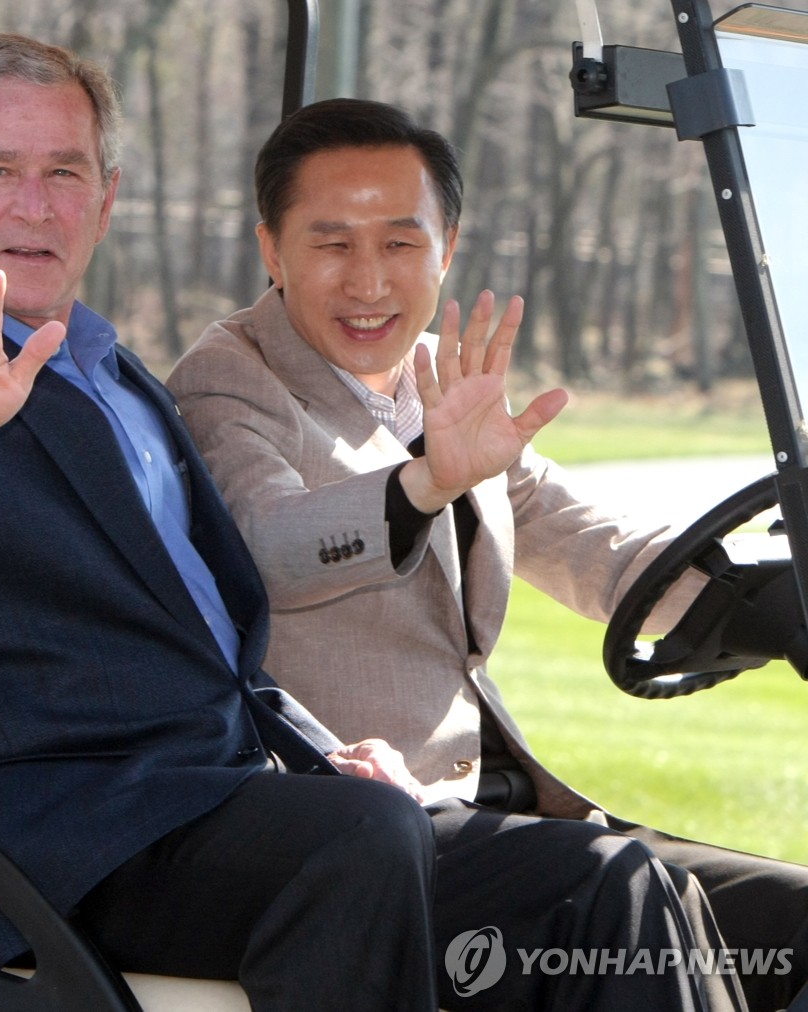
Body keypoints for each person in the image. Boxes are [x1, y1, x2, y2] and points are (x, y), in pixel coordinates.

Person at [0, 38, 752, 1012]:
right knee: (356, 841)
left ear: (105, 199)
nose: (35, 205)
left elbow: (212, 651)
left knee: (612, 877)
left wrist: (317, 752)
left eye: (64, 173)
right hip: (61, 835)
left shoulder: (118, 378)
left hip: (222, 800)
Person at [167, 97, 808, 1011]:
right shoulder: (226, 381)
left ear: (447, 248)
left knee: (794, 916)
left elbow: (600, 547)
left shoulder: (440, 381)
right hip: (364, 835)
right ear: (271, 250)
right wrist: (425, 483)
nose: (369, 281)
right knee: (621, 897)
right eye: (331, 243)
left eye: (399, 243)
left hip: (501, 812)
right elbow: (270, 547)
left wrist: (767, 604)